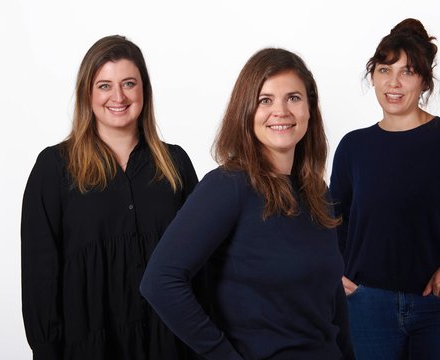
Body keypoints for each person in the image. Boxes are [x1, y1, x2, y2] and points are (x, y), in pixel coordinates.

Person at [140, 48, 354, 360]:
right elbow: (160, 282)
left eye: (293, 98)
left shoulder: (317, 192)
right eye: (265, 100)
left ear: (310, 109)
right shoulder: (228, 186)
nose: (280, 111)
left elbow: (332, 298)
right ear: (246, 111)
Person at [330, 18, 440, 359]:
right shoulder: (354, 147)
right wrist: (335, 270)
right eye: (385, 70)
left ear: (425, 81)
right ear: (373, 75)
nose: (393, 83)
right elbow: (333, 218)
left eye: (408, 72)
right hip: (368, 306)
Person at [21, 35, 198, 360]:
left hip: (170, 346)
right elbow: (39, 275)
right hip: (90, 346)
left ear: (144, 90)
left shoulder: (176, 165)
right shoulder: (54, 169)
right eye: (104, 85)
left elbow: (200, 265)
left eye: (129, 83)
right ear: (87, 93)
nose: (118, 96)